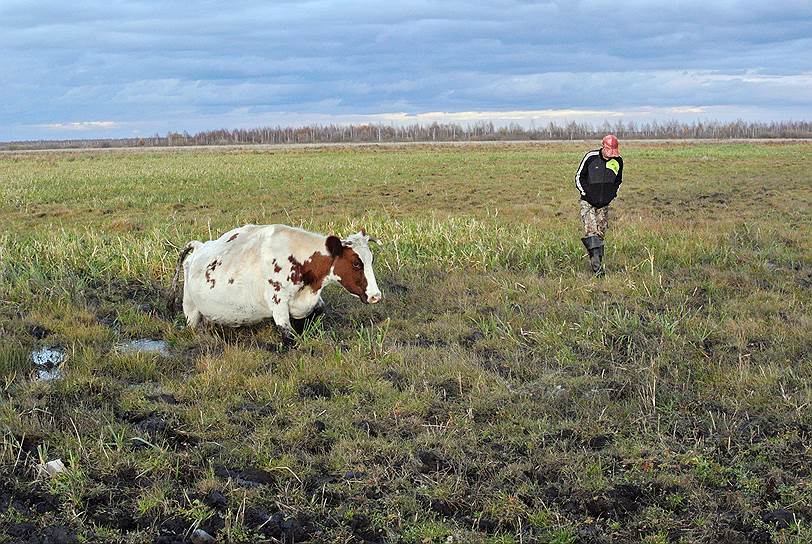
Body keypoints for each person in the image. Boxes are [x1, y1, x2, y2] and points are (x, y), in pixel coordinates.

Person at [575, 134, 623, 275]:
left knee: (600, 235)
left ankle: (597, 262)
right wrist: (586, 193)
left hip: (604, 204)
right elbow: (579, 176)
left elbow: (618, 181)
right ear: (603, 147)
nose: (612, 154)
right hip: (587, 202)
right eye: (609, 151)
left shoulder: (618, 161)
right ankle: (597, 269)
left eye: (614, 152)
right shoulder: (591, 157)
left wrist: (611, 195)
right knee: (591, 232)